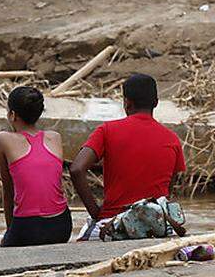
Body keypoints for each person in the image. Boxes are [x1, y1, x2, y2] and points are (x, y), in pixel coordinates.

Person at [70, 74, 186, 238]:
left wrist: (96, 213)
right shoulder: (172, 139)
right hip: (157, 227)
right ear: (156, 103)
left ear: (127, 102)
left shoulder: (106, 131)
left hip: (113, 222)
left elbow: (76, 169)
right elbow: (166, 193)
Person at [0, 87, 72, 247]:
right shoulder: (54, 138)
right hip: (62, 225)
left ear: (13, 115)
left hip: (27, 228)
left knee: (0, 243)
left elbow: (8, 189)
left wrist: (10, 231)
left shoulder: (3, 139)